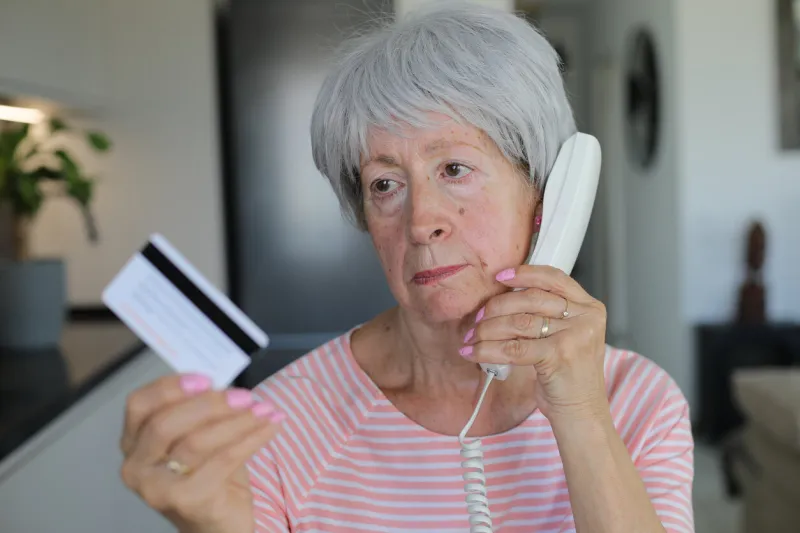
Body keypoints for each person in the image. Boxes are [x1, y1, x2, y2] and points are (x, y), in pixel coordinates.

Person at [118, 3, 694, 533]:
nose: (421, 222)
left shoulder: (637, 401)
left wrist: (583, 417)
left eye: (454, 169)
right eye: (386, 184)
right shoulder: (280, 426)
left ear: (545, 199)